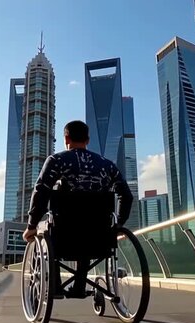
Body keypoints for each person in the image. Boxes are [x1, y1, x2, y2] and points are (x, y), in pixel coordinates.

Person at [22, 120, 133, 297]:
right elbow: (126, 196)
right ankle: (80, 286)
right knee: (88, 227)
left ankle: (55, 286)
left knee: (46, 228)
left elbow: (41, 191)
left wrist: (31, 225)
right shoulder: (107, 165)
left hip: (64, 233)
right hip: (98, 235)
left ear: (66, 138)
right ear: (87, 140)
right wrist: (118, 225)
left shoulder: (57, 160)